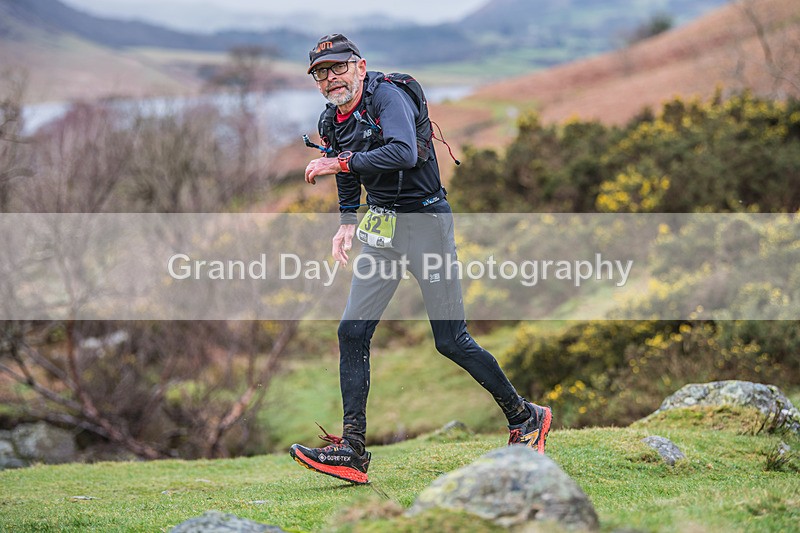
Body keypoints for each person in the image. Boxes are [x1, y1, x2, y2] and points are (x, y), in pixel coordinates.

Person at [289, 34, 552, 485]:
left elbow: (403, 152)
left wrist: (339, 164)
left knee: (450, 340)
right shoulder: (331, 119)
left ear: (360, 66)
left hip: (426, 224)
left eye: (339, 67)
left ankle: (526, 416)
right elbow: (346, 171)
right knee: (352, 331)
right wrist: (347, 221)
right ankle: (352, 449)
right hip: (383, 230)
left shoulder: (387, 98)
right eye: (321, 73)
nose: (331, 78)